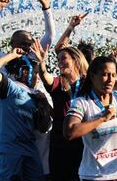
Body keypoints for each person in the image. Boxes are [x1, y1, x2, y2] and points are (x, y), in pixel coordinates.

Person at [0, 0, 56, 177]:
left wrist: (46, 8)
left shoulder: (35, 56)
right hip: (9, 122)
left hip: (34, 112)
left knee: (40, 149)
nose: (27, 47)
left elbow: (50, 35)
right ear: (13, 44)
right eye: (23, 44)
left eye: (29, 43)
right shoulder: (4, 60)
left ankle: (44, 172)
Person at [0, 48, 52, 180]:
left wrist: (44, 106)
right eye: (36, 74)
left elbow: (43, 128)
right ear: (25, 72)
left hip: (31, 150)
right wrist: (11, 55)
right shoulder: (10, 88)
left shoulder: (37, 96)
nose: (38, 78)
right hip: (10, 150)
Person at [32, 41, 88, 181]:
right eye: (58, 60)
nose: (59, 63)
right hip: (60, 144)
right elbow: (45, 76)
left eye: (63, 58)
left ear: (75, 59)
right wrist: (42, 62)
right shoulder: (60, 83)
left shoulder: (88, 83)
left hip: (84, 142)